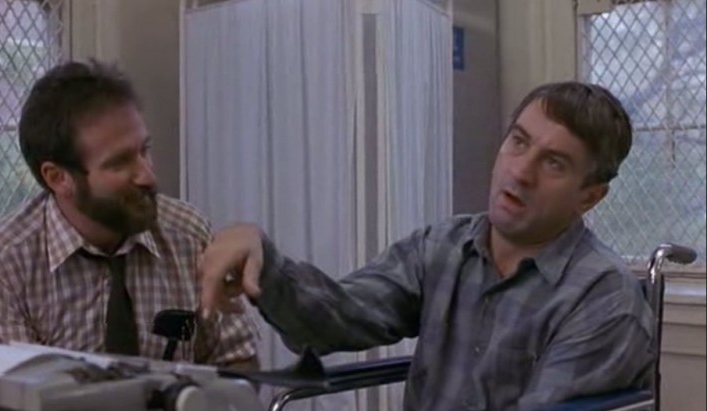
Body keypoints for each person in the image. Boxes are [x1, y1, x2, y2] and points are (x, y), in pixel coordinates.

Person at [197, 82, 654, 409]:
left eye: (553, 163)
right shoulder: (442, 247)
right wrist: (265, 262)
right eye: (518, 142)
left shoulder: (604, 300)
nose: (520, 171)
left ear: (589, 196)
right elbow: (339, 316)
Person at [0, 60, 259, 369]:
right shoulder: (0, 266)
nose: (148, 175)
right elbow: (8, 390)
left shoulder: (188, 234)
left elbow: (237, 360)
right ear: (58, 178)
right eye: (119, 163)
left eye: (144, 150)